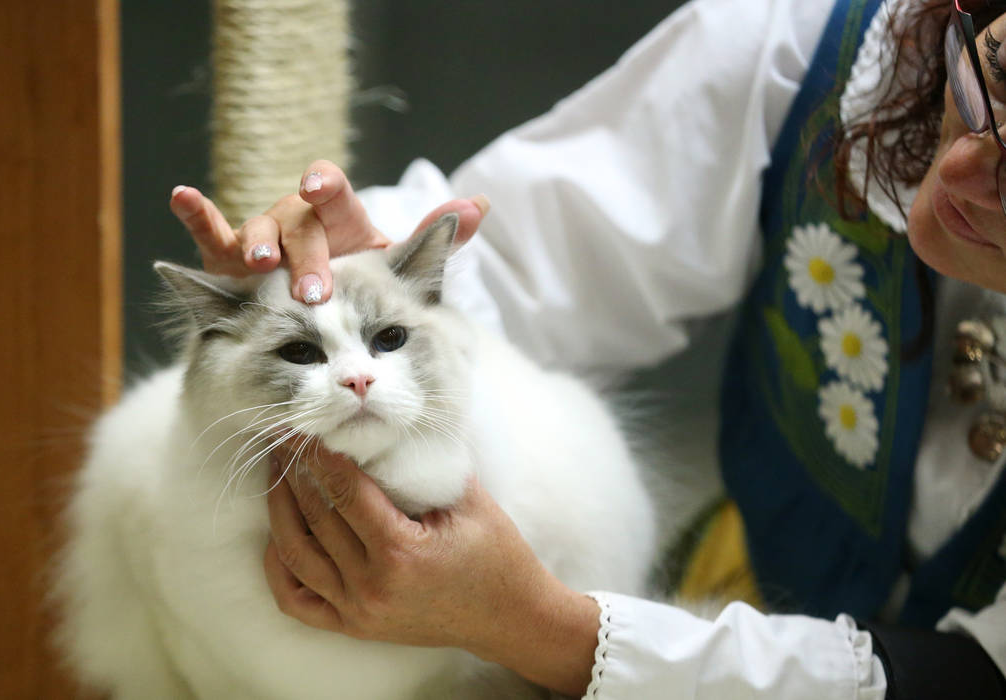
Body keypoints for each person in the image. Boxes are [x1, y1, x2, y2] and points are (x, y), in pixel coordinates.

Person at [169, 0, 1006, 696]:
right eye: (997, 74)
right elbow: (524, 259)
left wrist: (541, 627)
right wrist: (353, 271)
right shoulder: (815, 48)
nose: (969, 165)